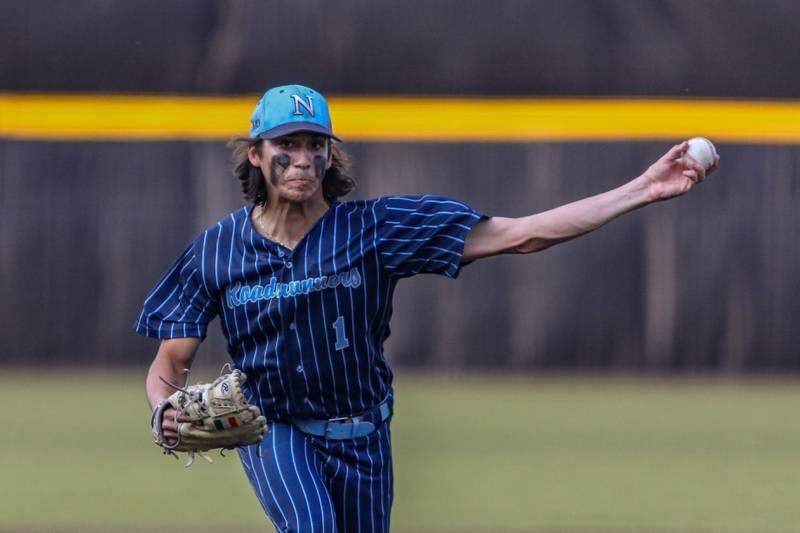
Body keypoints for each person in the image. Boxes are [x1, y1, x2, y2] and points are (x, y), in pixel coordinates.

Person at [136, 84, 718, 532]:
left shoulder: (375, 229)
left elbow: (520, 234)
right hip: (276, 430)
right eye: (286, 145)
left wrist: (643, 188)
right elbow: (170, 365)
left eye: (316, 144)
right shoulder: (217, 251)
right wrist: (164, 408)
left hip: (364, 433)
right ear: (257, 155)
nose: (303, 158)